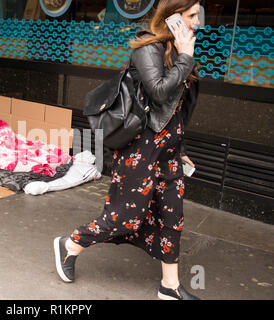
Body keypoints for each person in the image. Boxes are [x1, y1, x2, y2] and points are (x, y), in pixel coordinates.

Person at [53, 0, 202, 300]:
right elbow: (159, 92)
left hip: (169, 148)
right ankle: (70, 245)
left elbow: (180, 107)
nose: (197, 22)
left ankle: (169, 286)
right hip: (142, 147)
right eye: (192, 16)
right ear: (173, 17)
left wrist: (180, 144)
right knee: (126, 217)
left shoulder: (183, 52)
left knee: (172, 216)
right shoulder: (148, 47)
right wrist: (186, 58)